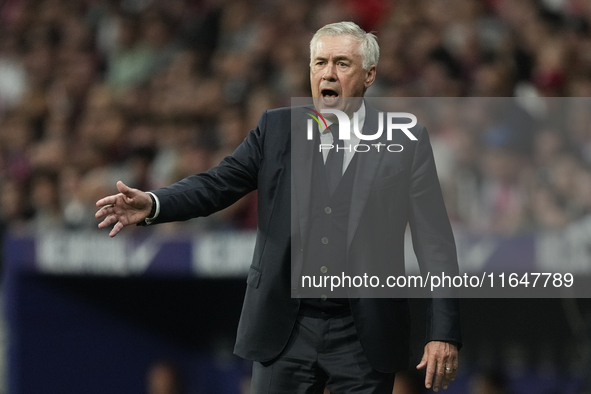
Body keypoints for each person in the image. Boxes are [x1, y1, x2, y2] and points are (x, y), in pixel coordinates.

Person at [96, 21, 461, 393]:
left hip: (364, 332)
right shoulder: (277, 129)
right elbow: (218, 183)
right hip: (286, 328)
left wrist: (443, 332)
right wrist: (156, 203)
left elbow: (436, 244)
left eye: (341, 63)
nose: (328, 74)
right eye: (319, 63)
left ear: (369, 75)